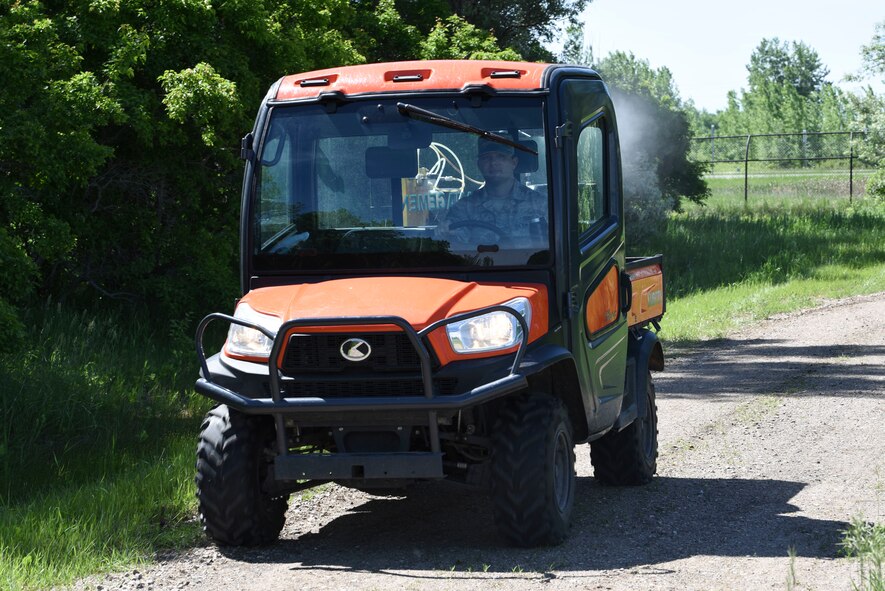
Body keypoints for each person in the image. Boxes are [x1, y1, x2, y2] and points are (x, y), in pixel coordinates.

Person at [436, 138, 547, 246]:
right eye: (486, 158)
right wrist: (446, 233)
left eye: (501, 157)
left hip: (533, 264)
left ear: (514, 162)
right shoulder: (464, 208)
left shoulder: (539, 204)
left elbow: (556, 244)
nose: (493, 163)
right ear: (479, 164)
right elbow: (454, 244)